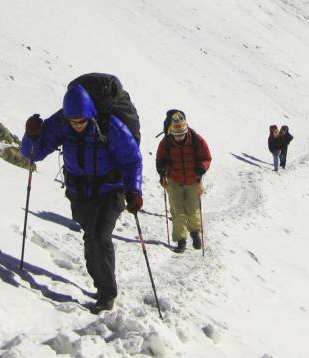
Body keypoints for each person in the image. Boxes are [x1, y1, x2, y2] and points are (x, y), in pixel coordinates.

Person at [21, 82, 143, 314]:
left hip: (110, 190)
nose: (76, 126)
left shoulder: (110, 125)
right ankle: (100, 283)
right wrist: (32, 135)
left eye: (81, 121)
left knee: (99, 236)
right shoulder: (61, 122)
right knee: (91, 238)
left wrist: (134, 191)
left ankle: (107, 293)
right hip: (79, 193)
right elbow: (32, 153)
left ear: (90, 115)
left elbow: (131, 160)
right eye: (73, 121)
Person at [155, 110, 211, 253]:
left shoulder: (197, 140)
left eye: (181, 135)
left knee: (192, 208)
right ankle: (181, 241)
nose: (179, 138)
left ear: (186, 130)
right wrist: (162, 169)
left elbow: (206, 158)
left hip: (193, 180)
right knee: (177, 210)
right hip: (174, 180)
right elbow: (159, 159)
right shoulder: (166, 142)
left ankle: (195, 233)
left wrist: (202, 167)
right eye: (176, 135)